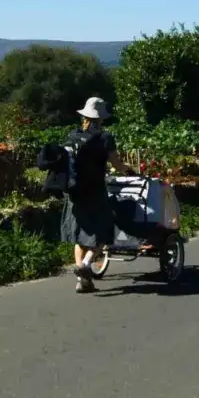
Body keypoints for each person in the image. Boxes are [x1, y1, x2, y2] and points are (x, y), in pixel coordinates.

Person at [61, 96, 133, 293]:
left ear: (85, 116)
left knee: (79, 233)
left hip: (74, 190)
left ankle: (82, 281)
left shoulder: (72, 136)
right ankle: (85, 264)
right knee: (104, 232)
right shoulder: (104, 138)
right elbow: (116, 164)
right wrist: (127, 170)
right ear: (100, 118)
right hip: (95, 190)